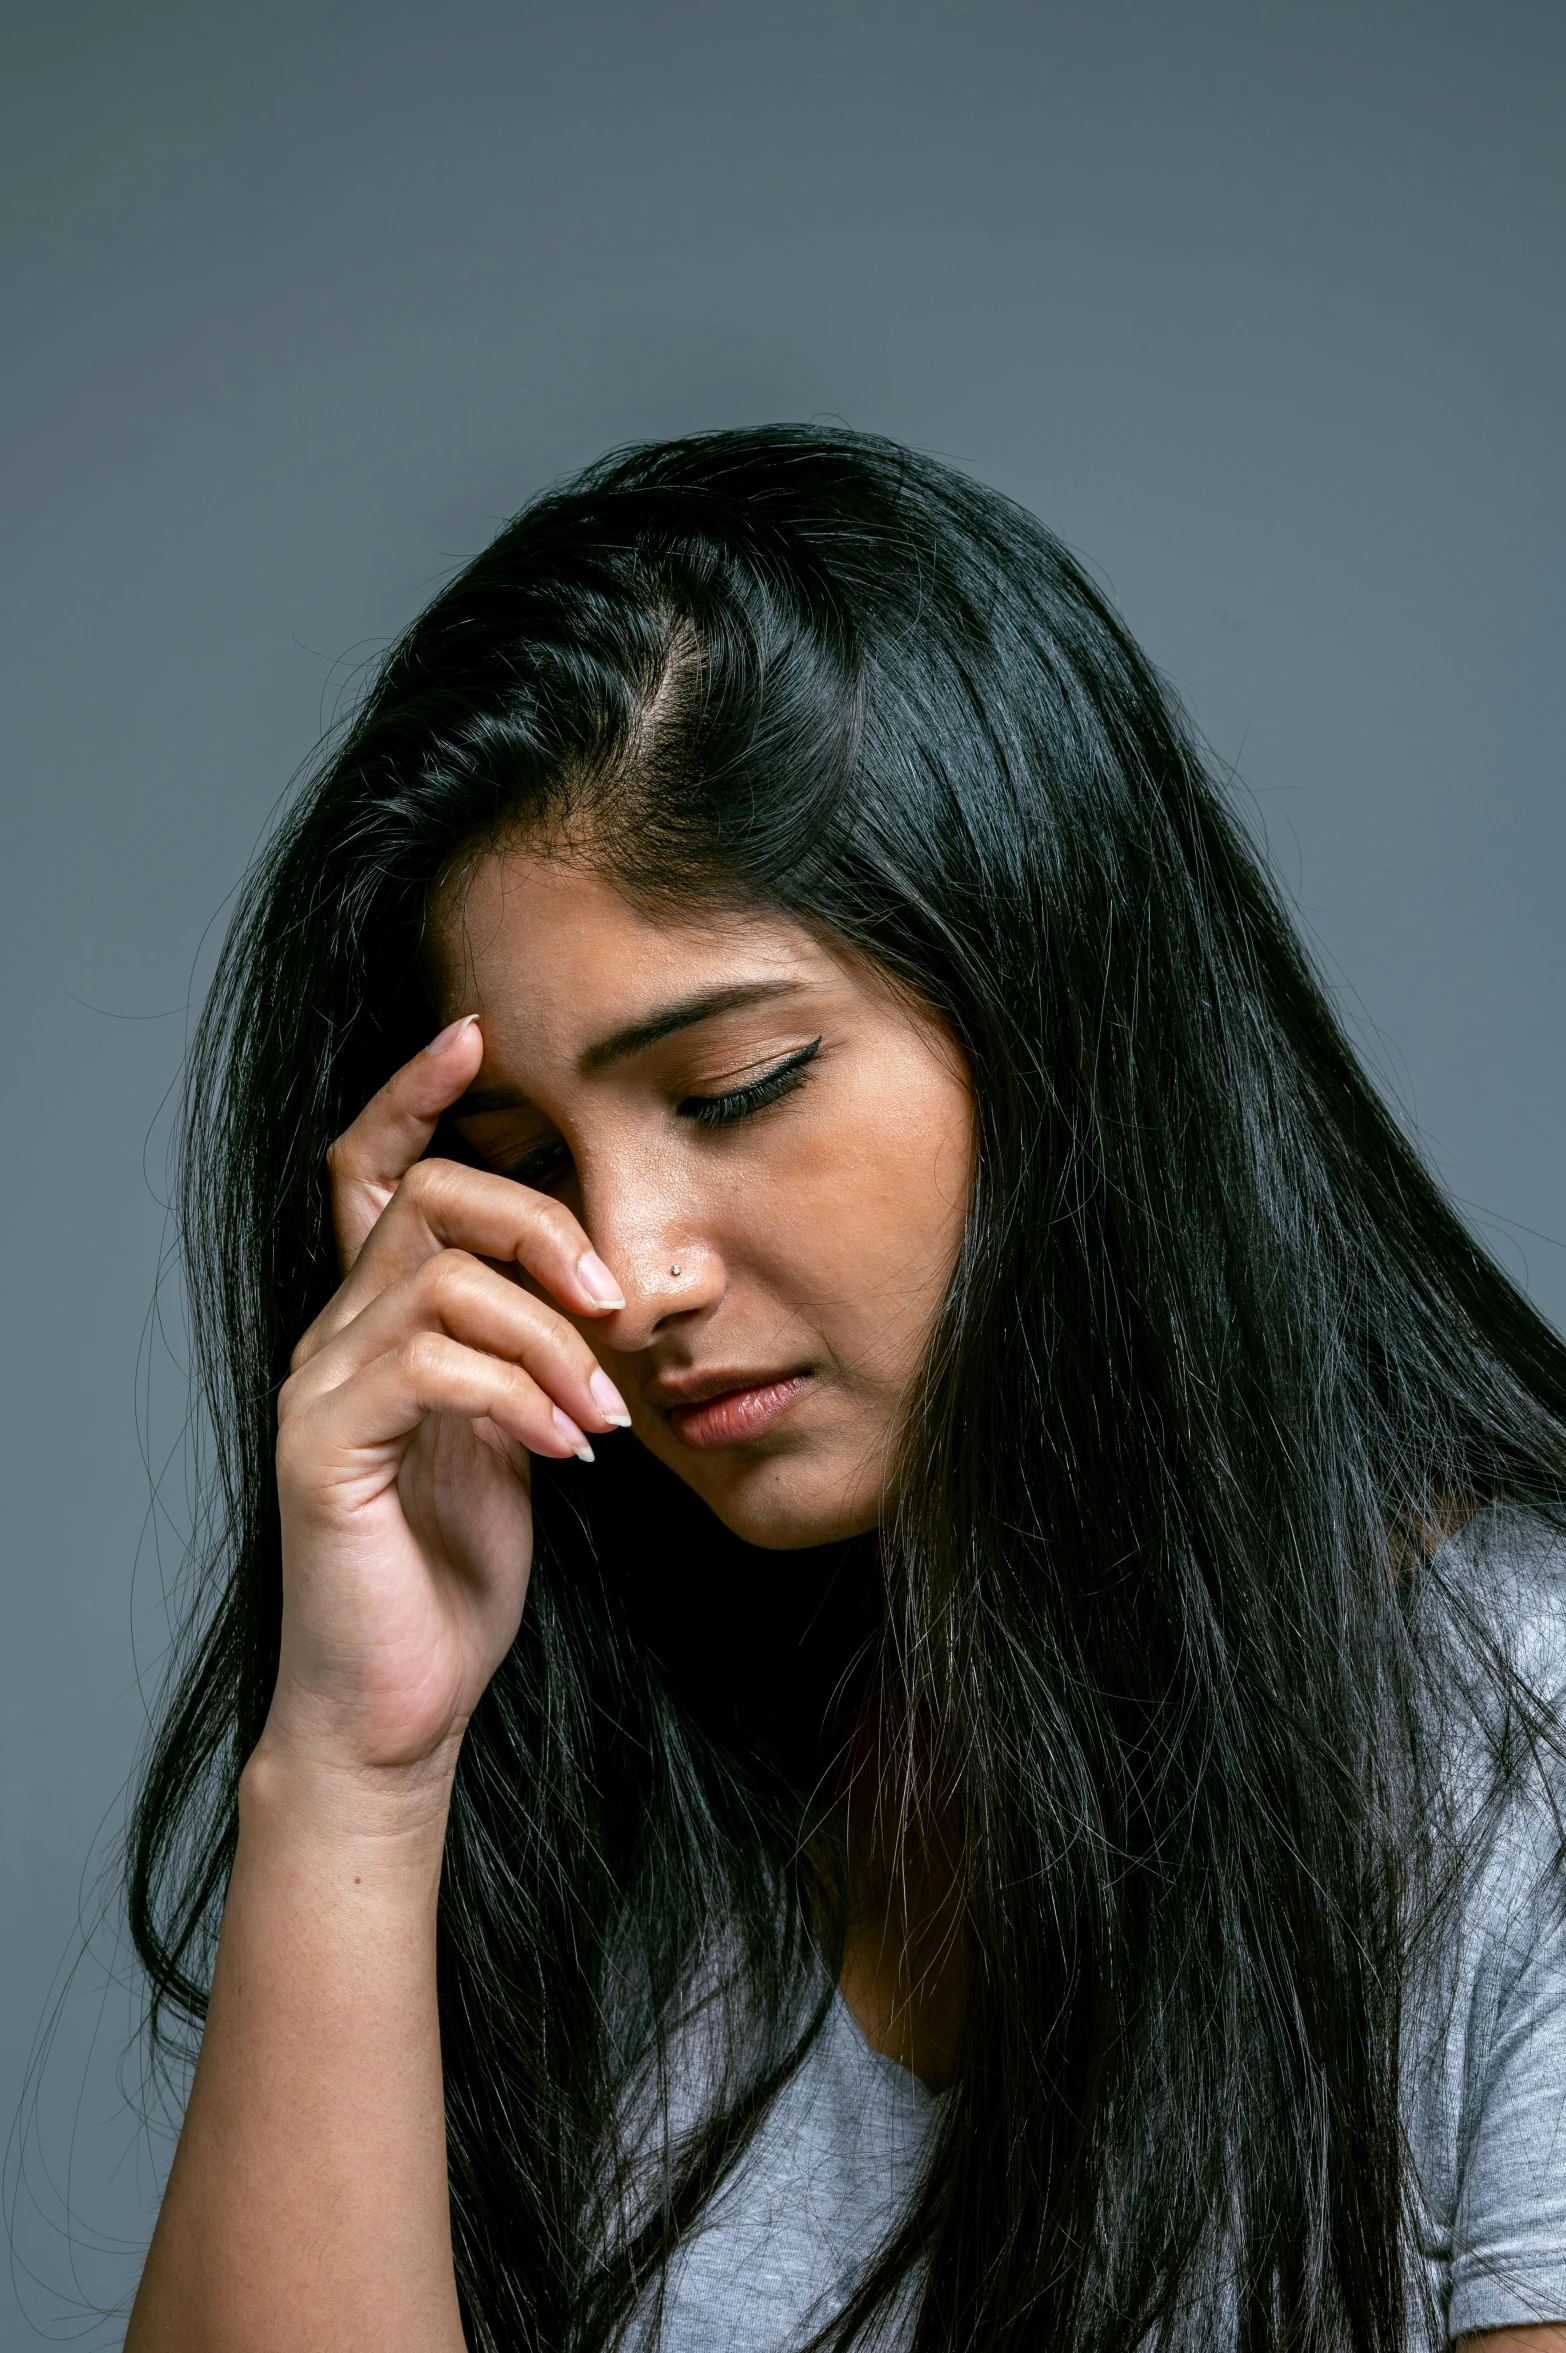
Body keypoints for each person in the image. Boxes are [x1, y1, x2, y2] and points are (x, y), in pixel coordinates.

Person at [124, 427, 1566, 2353]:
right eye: (525, 1157)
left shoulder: (1517, 1771)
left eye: (732, 1089)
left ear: (1048, 1010)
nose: (627, 1273)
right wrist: (355, 1770)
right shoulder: (617, 1780)